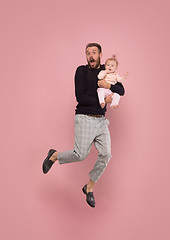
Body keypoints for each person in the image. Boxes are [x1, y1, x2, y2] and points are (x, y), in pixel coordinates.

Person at [42, 43, 125, 208]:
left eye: (94, 52)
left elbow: (121, 90)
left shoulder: (107, 70)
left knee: (106, 154)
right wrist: (105, 100)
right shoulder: (81, 71)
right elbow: (81, 97)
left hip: (101, 120)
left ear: (101, 54)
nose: (90, 56)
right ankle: (54, 156)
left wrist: (108, 86)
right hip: (85, 117)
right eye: (87, 53)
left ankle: (89, 187)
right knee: (80, 154)